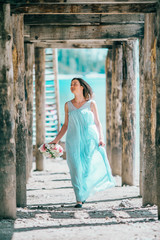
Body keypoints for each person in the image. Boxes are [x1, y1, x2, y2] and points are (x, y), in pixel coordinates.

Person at [49, 77, 115, 208]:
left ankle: (83, 193)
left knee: (86, 168)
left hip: (90, 140)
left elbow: (97, 123)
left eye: (75, 84)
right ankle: (79, 198)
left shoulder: (91, 103)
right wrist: (55, 141)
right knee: (75, 168)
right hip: (72, 140)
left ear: (82, 87)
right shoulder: (68, 105)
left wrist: (101, 138)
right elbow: (65, 125)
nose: (72, 86)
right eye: (71, 84)